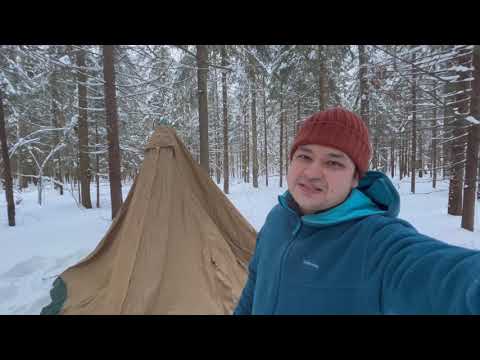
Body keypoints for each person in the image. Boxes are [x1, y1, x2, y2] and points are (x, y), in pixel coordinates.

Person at [233, 107, 480, 315]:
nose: (311, 172)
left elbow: (450, 279)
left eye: (333, 162)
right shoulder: (279, 217)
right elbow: (255, 284)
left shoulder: (377, 242)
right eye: (304, 156)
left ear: (355, 179)